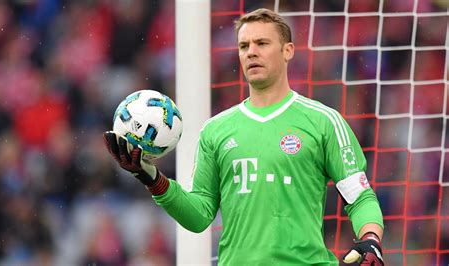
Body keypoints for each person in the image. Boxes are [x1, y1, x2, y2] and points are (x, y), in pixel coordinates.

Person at [103, 8, 384, 265]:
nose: (251, 52)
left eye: (262, 44)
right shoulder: (216, 130)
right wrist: (151, 178)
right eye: (244, 46)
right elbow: (200, 215)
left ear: (288, 51)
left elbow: (359, 197)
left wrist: (371, 239)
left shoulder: (323, 121)